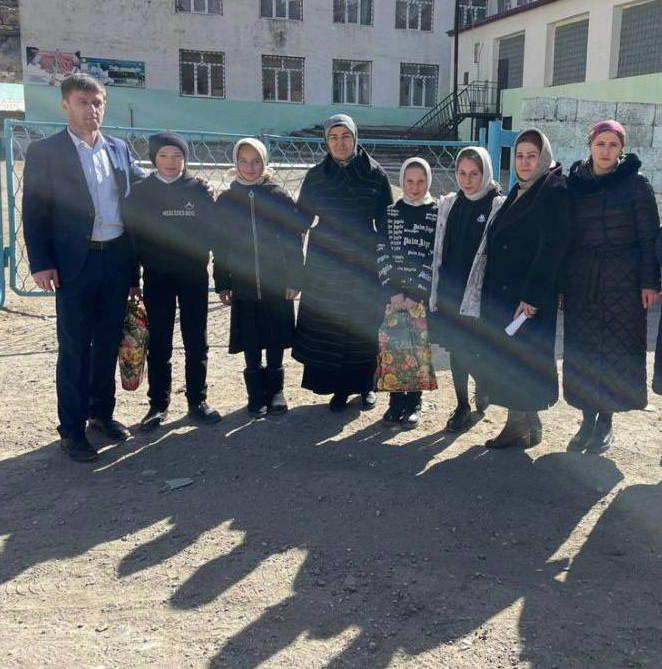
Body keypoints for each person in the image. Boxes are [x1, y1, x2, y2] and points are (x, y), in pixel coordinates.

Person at [22, 74, 146, 462]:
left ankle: (101, 414)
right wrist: (42, 263)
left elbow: (145, 189)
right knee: (75, 348)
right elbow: (34, 211)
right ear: (64, 105)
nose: (92, 109)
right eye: (83, 102)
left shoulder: (119, 148)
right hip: (75, 264)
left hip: (116, 259)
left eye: (98, 102)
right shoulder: (45, 152)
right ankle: (72, 431)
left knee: (107, 343)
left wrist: (193, 187)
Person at [464, 128, 569, 450]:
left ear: (543, 158)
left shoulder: (553, 192)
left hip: (527, 297)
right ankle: (526, 424)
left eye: (531, 156)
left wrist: (532, 297)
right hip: (507, 292)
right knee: (513, 359)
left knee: (520, 360)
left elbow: (552, 248)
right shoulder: (522, 189)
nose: (524, 162)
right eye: (520, 156)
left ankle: (519, 425)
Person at [563, 120, 661, 453]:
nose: (605, 151)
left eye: (613, 145)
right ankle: (586, 420)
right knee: (584, 349)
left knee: (614, 351)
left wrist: (650, 281)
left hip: (624, 281)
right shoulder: (575, 184)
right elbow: (566, 234)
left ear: (621, 149)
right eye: (600, 144)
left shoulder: (636, 185)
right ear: (590, 145)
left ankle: (605, 421)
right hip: (583, 280)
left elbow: (649, 236)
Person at [293, 114, 393, 412]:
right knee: (332, 324)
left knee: (363, 324)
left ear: (355, 138)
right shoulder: (316, 176)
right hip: (326, 261)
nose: (340, 143)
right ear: (326, 141)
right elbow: (299, 219)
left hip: (363, 261)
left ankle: (366, 386)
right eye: (333, 137)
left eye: (345, 136)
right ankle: (338, 389)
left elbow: (387, 223)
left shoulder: (375, 174)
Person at [123, 132, 221, 431]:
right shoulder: (140, 192)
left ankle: (197, 400)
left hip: (193, 276)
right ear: (154, 158)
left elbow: (214, 232)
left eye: (177, 156)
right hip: (157, 278)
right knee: (159, 341)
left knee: (196, 340)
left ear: (185, 159)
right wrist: (133, 279)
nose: (171, 162)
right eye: (164, 155)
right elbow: (131, 239)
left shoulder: (199, 189)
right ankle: (158, 404)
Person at [213, 138, 303, 417]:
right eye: (244, 161)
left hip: (276, 282)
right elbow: (220, 244)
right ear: (235, 163)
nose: (250, 167)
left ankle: (275, 391)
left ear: (265, 163)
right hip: (244, 284)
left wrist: (294, 278)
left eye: (256, 161)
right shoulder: (227, 200)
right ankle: (255, 393)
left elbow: (294, 239)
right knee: (250, 339)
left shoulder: (278, 196)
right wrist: (223, 282)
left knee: (275, 337)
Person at [429, 147, 505, 432]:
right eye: (462, 173)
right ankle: (462, 405)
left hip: (480, 295)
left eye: (474, 174)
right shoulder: (451, 204)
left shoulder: (498, 206)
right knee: (456, 349)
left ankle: (483, 384)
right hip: (451, 291)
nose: (468, 180)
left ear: (486, 173)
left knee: (477, 349)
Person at [376, 157, 438, 429]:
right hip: (393, 298)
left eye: (420, 181)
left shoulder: (436, 213)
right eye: (409, 181)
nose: (415, 187)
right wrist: (393, 290)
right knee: (393, 348)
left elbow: (434, 256)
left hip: (419, 299)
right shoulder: (391, 212)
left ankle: (413, 402)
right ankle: (395, 402)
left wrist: (415, 293)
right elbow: (382, 250)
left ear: (428, 182)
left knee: (416, 351)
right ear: (401, 181)